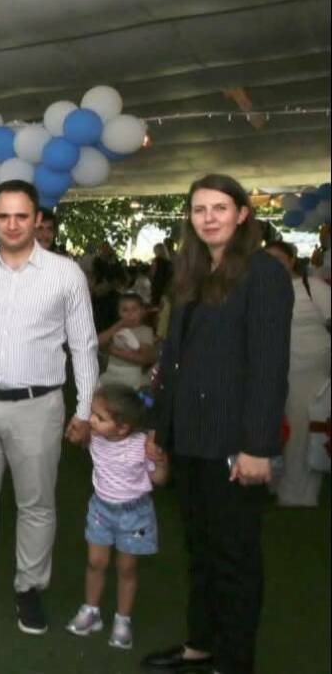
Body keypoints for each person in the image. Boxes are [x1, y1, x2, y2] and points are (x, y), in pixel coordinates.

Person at [144, 174, 292, 674]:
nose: (208, 218)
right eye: (199, 209)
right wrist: (160, 430)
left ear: (242, 214)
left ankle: (233, 661)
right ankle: (200, 646)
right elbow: (175, 360)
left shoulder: (263, 274)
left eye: (219, 208)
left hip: (234, 443)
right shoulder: (191, 270)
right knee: (200, 551)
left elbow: (269, 368)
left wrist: (258, 447)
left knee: (234, 560)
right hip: (189, 438)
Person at [0, 179, 98, 634]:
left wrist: (85, 408)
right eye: (3, 216)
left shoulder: (66, 274)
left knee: (37, 503)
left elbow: (84, 346)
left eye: (21, 216)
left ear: (38, 219)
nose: (11, 225)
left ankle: (30, 587)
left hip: (38, 407)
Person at [65, 384, 168, 650]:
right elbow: (78, 437)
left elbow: (159, 479)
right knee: (95, 562)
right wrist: (76, 431)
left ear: (122, 428)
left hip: (134, 514)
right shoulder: (95, 437)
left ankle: (123, 619)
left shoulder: (141, 446)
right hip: (101, 510)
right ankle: (91, 611)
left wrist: (160, 458)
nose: (92, 420)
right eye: (92, 413)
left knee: (126, 568)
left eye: (99, 417)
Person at [263, 241, 330, 507]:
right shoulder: (259, 290)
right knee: (272, 429)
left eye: (278, 259)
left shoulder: (313, 287)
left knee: (301, 430)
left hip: (309, 372)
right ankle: (270, 482)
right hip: (271, 370)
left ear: (291, 260)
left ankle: (298, 492)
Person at [96, 293, 158, 389]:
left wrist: (114, 351)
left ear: (142, 311)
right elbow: (97, 342)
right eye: (125, 310)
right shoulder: (116, 328)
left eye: (134, 309)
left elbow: (143, 359)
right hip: (111, 370)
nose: (130, 314)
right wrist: (117, 326)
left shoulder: (145, 331)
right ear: (119, 313)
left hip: (130, 374)